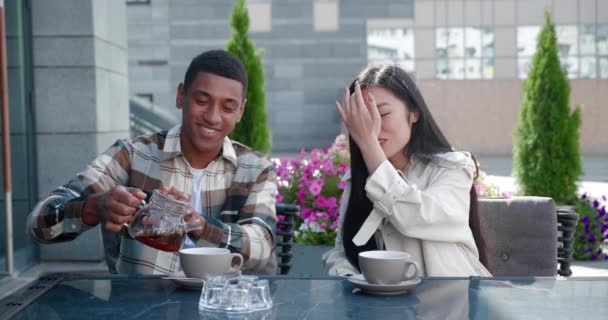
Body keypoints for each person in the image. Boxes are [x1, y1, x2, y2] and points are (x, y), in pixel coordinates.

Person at [27, 50, 278, 275]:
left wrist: (200, 225)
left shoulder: (255, 168)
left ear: (241, 111)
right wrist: (93, 207)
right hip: (140, 307)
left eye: (227, 107)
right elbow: (38, 224)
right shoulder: (132, 155)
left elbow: (261, 248)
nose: (213, 117)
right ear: (181, 96)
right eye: (202, 101)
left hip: (225, 306)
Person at [322, 64, 491, 277]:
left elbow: (417, 217)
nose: (372, 128)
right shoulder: (358, 178)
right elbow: (342, 251)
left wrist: (369, 147)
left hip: (452, 300)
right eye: (364, 119)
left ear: (414, 113)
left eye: (382, 113)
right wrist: (349, 279)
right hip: (383, 305)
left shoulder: (454, 167)